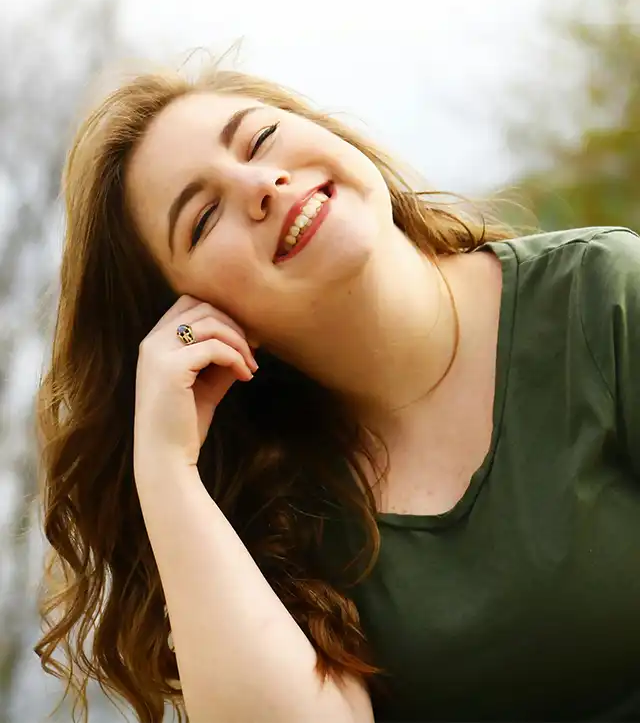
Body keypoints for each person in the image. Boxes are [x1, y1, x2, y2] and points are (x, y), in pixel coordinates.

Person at [34, 60, 640, 723]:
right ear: (189, 314)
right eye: (204, 217)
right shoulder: (269, 514)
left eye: (260, 140)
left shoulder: (604, 296)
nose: (262, 183)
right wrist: (165, 470)